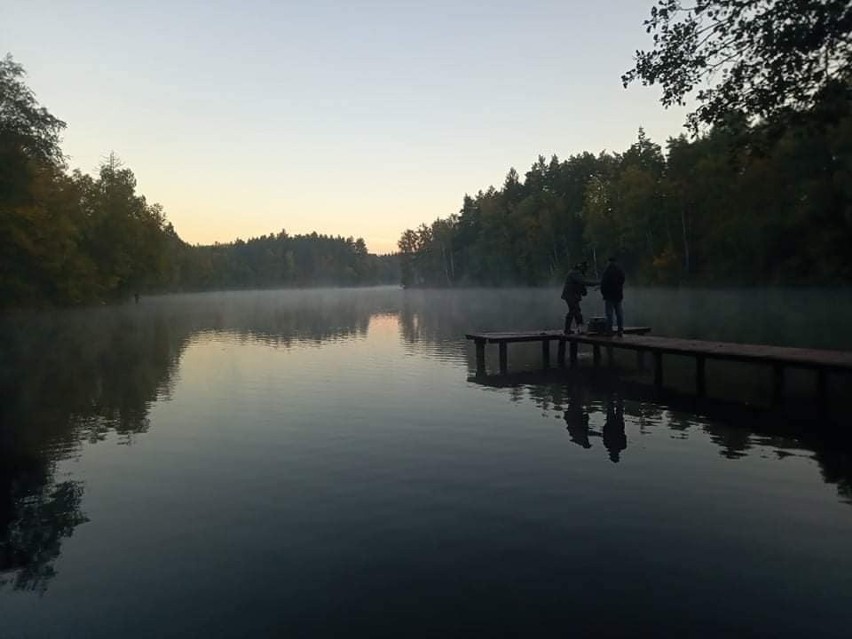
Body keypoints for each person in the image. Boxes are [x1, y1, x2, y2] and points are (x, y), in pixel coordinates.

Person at [560, 261, 599, 334]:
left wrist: (583, 291)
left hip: (572, 295)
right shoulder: (575, 273)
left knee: (576, 311)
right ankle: (574, 329)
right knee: (574, 311)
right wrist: (597, 283)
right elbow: (583, 282)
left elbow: (581, 284)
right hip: (570, 295)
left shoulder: (575, 273)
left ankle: (579, 329)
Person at [600, 256, 626, 336]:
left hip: (609, 296)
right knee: (619, 313)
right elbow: (623, 280)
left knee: (609, 314)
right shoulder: (620, 270)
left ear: (609, 261)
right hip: (618, 295)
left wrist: (603, 294)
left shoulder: (607, 271)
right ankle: (620, 330)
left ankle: (609, 330)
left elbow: (603, 283)